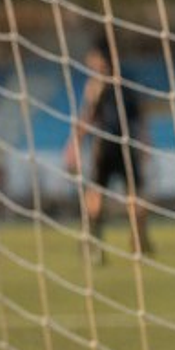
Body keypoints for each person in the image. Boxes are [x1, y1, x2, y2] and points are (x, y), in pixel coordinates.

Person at [66, 34, 152, 256]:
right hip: (126, 145)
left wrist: (74, 143)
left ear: (99, 57)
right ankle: (138, 240)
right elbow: (140, 116)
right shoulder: (128, 80)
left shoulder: (97, 84)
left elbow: (88, 116)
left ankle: (94, 241)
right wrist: (144, 143)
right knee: (134, 194)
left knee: (96, 194)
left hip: (105, 146)